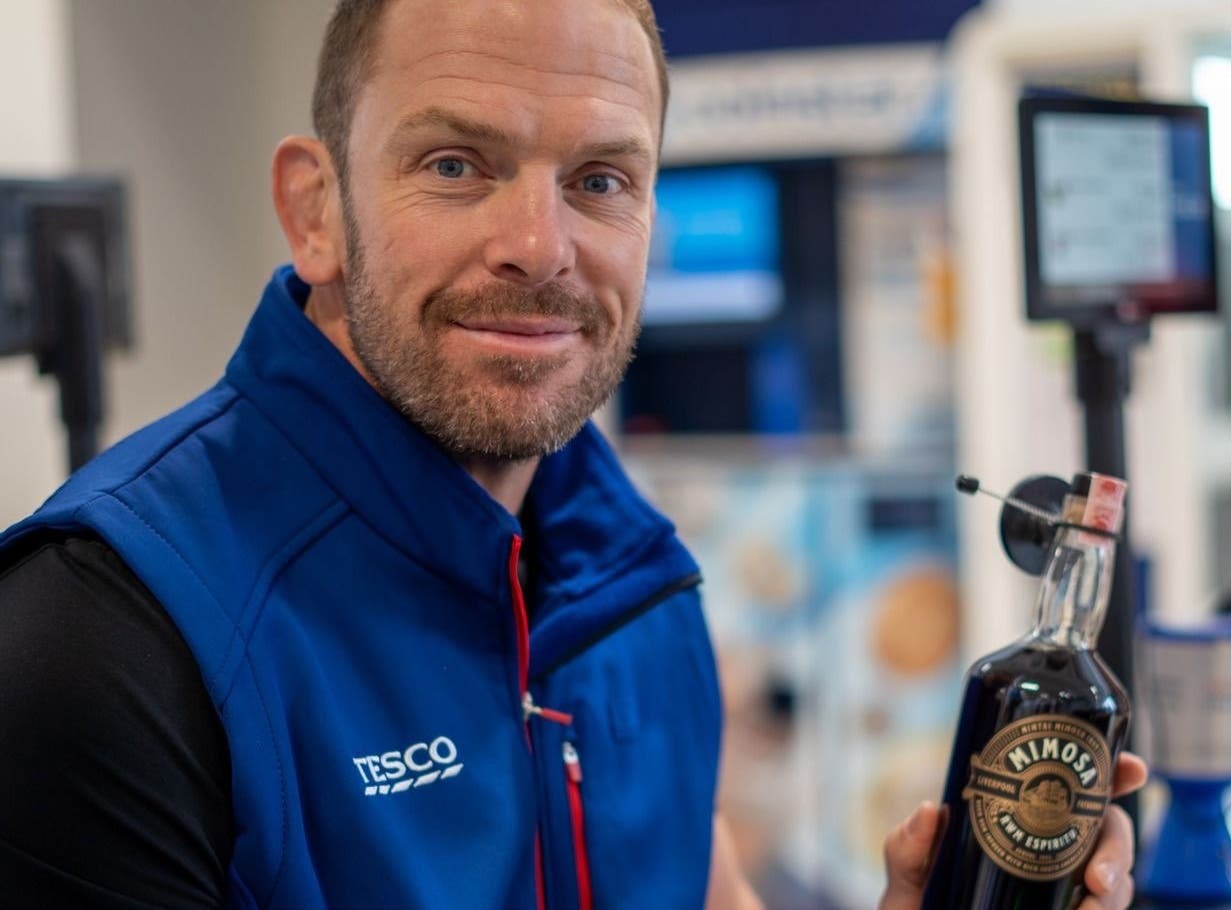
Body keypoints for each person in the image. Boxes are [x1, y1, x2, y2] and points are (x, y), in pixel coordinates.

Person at [0, 1, 1145, 907]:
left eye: (600, 180)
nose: (540, 248)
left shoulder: (634, 582)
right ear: (317, 211)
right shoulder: (107, 630)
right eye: (456, 164)